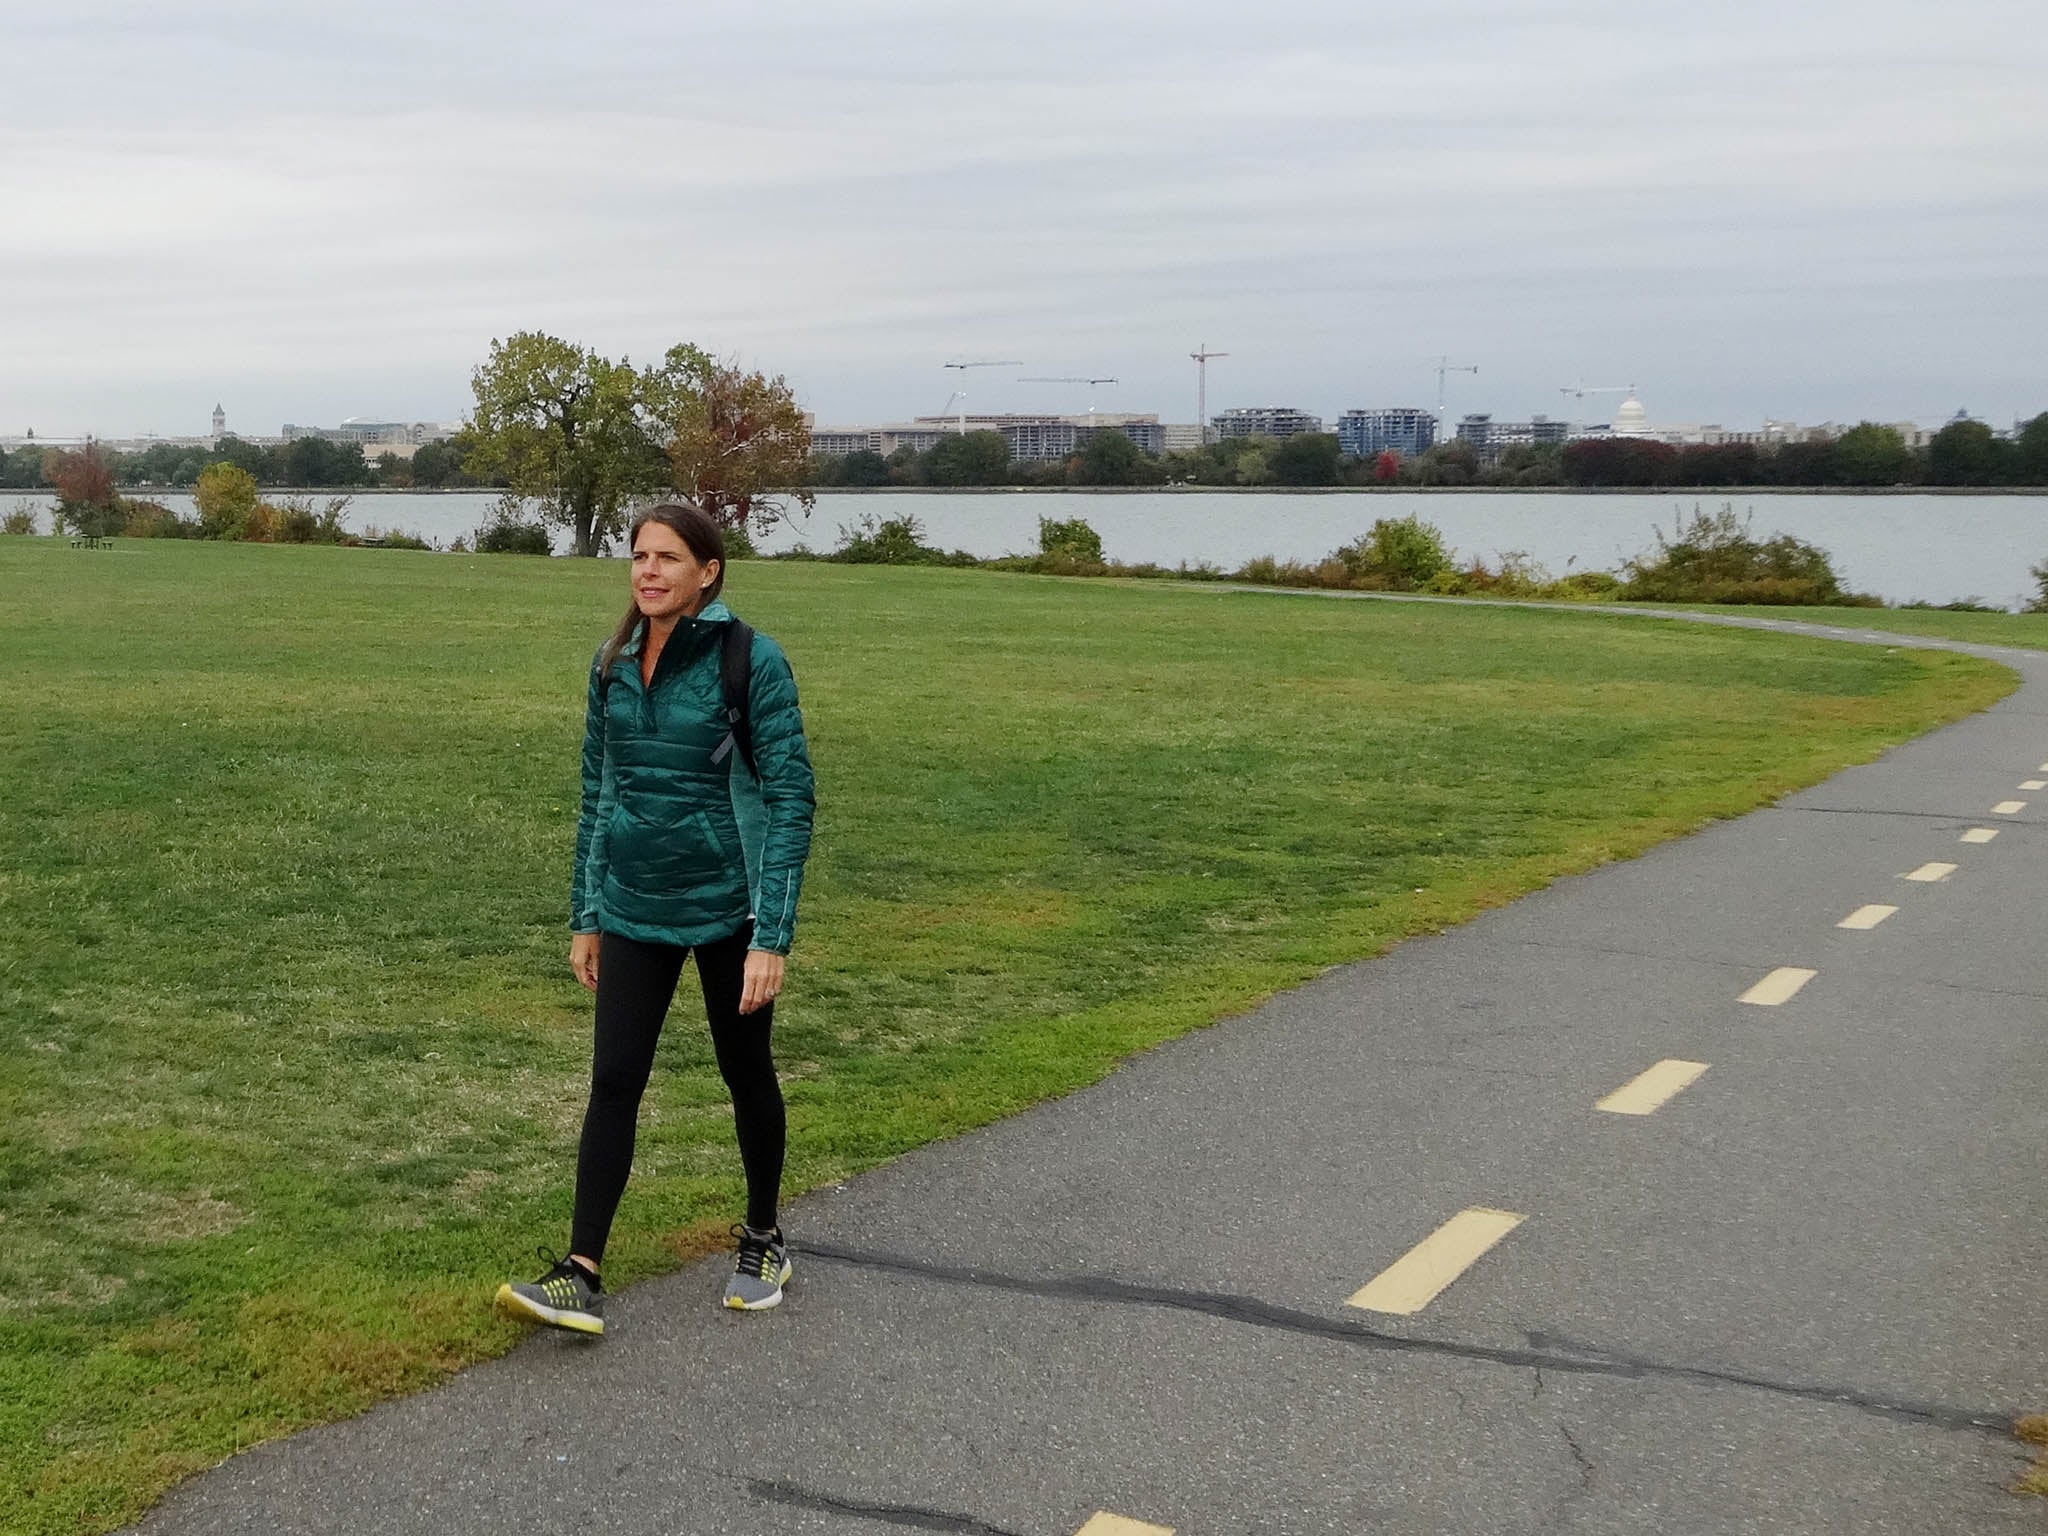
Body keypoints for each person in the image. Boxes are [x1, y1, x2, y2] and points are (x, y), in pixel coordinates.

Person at [496, 501, 816, 1334]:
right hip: (636, 904)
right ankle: (580, 1270)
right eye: (639, 556)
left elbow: (790, 799)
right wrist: (588, 914)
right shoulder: (613, 662)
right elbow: (599, 795)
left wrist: (771, 937)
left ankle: (762, 1238)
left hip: (728, 909)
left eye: (668, 558)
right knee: (613, 1081)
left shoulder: (753, 661)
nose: (648, 571)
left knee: (746, 1074)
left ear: (707, 572)